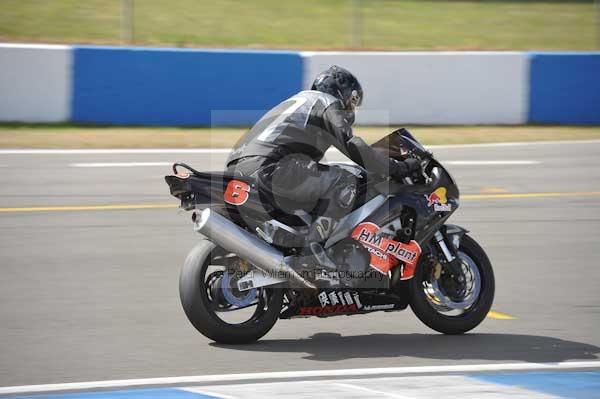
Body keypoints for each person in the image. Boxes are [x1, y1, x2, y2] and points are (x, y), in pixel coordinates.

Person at [226, 65, 421, 247]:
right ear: (341, 92)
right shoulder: (326, 102)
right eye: (352, 101)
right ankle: (314, 250)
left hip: (238, 166)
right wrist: (397, 167)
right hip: (271, 168)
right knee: (345, 180)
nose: (351, 108)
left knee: (317, 181)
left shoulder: (298, 102)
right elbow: (352, 145)